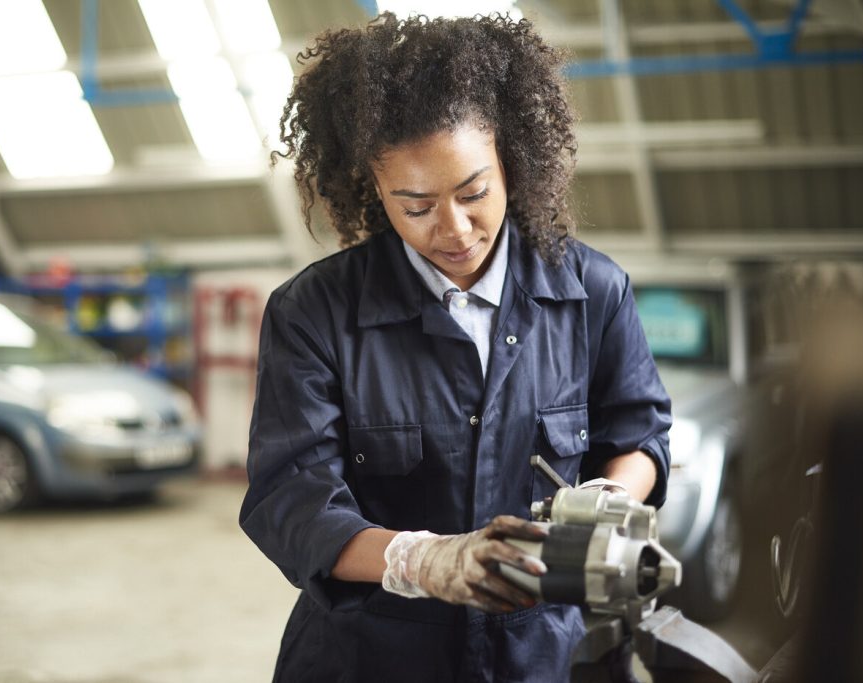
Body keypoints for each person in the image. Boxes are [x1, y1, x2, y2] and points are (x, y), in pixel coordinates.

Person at [239, 12, 671, 682]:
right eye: (416, 206)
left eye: (475, 192)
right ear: (373, 189)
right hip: (368, 658)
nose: (454, 227)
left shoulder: (594, 290)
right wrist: (422, 560)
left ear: (511, 160)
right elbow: (291, 499)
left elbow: (641, 435)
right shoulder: (312, 314)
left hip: (544, 657)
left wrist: (602, 505)